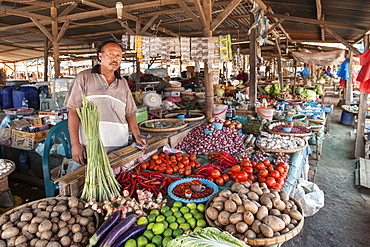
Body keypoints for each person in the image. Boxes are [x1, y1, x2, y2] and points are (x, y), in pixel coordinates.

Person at [64, 40, 147, 165]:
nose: (114, 59)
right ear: (100, 56)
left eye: (118, 55)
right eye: (110, 54)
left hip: (119, 145)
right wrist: (75, 144)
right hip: (91, 145)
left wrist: (137, 135)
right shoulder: (83, 77)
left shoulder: (123, 83)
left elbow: (130, 112)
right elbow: (73, 111)